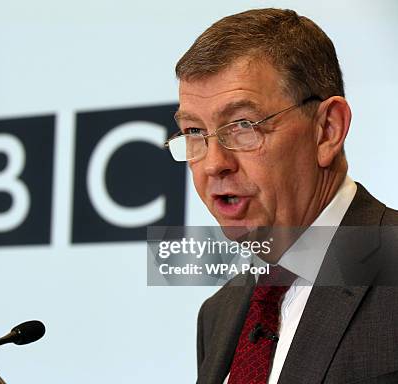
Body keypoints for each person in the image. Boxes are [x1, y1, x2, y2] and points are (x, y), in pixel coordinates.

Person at [165, 8, 398, 384]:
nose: (213, 164)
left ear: (327, 129)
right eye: (194, 131)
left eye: (243, 126)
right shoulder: (219, 312)